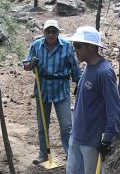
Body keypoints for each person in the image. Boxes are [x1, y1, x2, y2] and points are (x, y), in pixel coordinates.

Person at [50, 25, 120, 174]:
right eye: (74, 46)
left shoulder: (104, 73)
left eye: (79, 46)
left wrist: (108, 137)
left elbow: (114, 109)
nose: (75, 50)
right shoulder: (87, 69)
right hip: (77, 135)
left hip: (92, 139)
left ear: (91, 47)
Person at [23, 19, 80, 164]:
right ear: (44, 32)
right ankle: (43, 154)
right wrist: (31, 63)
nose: (50, 34)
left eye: (54, 31)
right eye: (48, 31)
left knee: (66, 126)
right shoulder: (36, 45)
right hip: (42, 90)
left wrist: (78, 82)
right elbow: (26, 66)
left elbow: (74, 66)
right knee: (42, 125)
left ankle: (70, 155)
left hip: (61, 89)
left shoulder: (66, 46)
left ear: (58, 32)